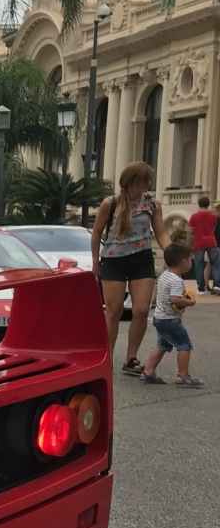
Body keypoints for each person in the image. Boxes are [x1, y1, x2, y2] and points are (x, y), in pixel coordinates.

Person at [91, 161, 170, 376]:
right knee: (114, 312)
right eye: (144, 179)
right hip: (114, 261)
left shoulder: (153, 205)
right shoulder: (111, 203)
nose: (148, 183)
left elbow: (161, 233)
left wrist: (173, 253)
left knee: (141, 310)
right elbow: (97, 233)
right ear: (132, 181)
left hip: (142, 260)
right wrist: (95, 263)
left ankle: (131, 358)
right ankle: (106, 358)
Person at [140, 243, 203, 387]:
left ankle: (148, 372)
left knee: (162, 345)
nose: (191, 262)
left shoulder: (165, 275)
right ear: (183, 262)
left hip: (160, 317)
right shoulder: (176, 280)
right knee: (184, 344)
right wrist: (190, 302)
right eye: (190, 259)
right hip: (170, 320)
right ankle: (183, 375)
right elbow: (175, 299)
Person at [188, 195, 219, 294]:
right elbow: (213, 229)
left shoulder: (194, 216)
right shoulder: (213, 216)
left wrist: (189, 244)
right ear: (208, 204)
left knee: (199, 265)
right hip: (211, 241)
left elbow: (189, 231)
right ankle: (217, 285)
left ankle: (201, 288)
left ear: (199, 204)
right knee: (215, 264)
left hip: (198, 242)